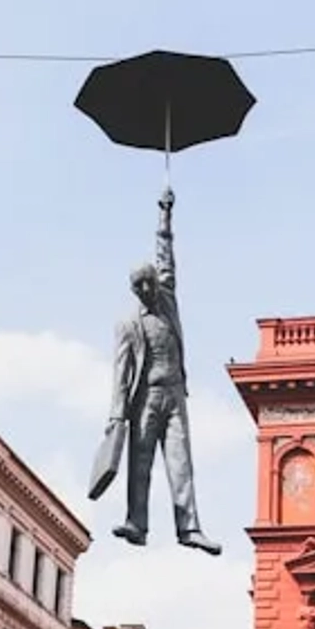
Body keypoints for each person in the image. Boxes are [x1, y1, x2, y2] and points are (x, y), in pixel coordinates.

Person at [105, 187, 220, 555]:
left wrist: (164, 215)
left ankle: (190, 528)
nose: (144, 289)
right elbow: (120, 374)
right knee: (140, 464)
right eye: (137, 285)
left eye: (148, 282)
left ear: (156, 282)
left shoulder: (168, 300)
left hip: (174, 395)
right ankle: (137, 522)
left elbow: (165, 254)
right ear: (132, 289)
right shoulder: (127, 325)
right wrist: (115, 415)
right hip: (145, 399)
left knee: (180, 462)